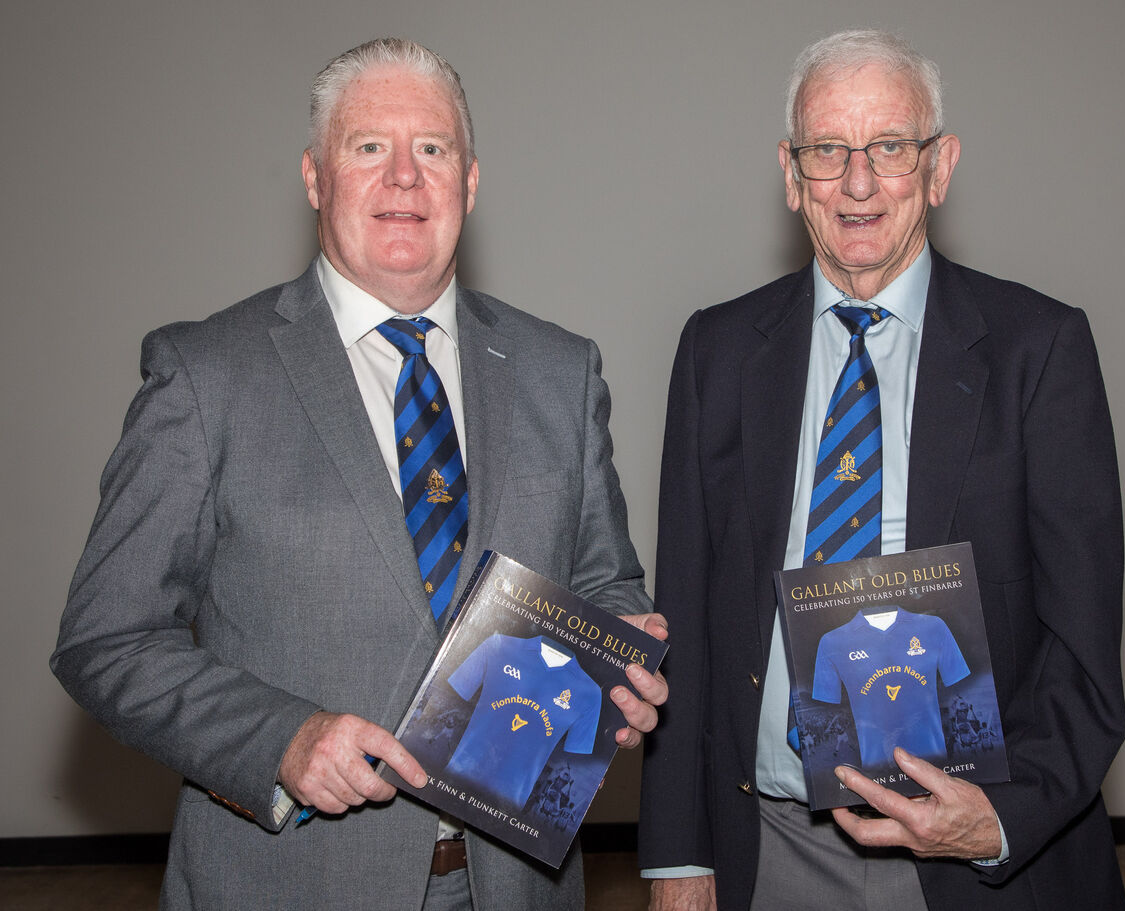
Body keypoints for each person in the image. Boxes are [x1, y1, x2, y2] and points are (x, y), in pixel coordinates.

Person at [51, 37, 667, 911]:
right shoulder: (205, 375)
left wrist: (618, 659)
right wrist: (283, 740)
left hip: (515, 885)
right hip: (291, 881)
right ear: (314, 178)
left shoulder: (559, 371)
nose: (405, 178)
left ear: (472, 182)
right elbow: (105, 640)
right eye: (368, 147)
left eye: (433, 149)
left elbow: (604, 579)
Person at [638, 28, 1125, 911]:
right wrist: (678, 856)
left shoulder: (1038, 350)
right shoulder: (716, 351)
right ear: (791, 175)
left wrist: (997, 820)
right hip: (773, 848)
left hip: (974, 864)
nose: (858, 182)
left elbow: (1084, 651)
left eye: (889, 147)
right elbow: (689, 617)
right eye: (829, 149)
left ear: (938, 168)